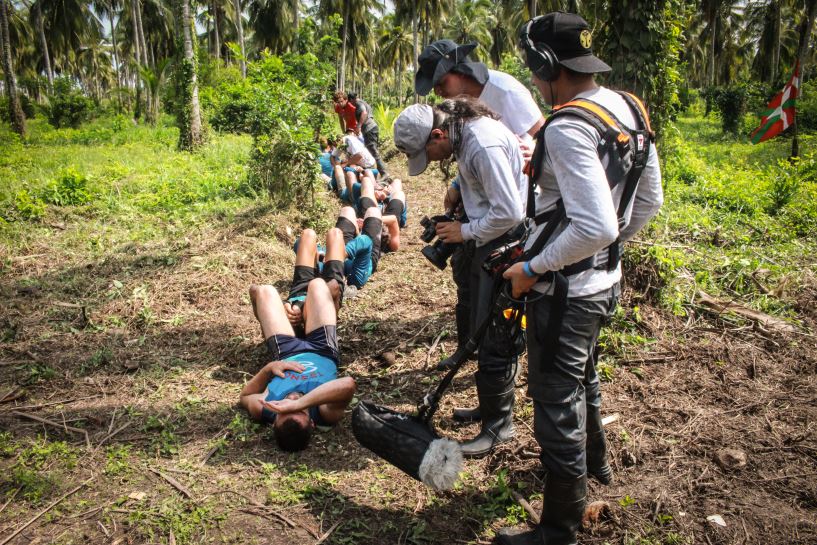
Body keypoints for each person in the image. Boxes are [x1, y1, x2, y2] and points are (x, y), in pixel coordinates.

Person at [496, 13, 663, 545]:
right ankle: (597, 466)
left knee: (553, 398)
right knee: (582, 377)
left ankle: (561, 527)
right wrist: (605, 257)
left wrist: (532, 267)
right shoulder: (627, 106)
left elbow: (595, 223)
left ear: (546, 64)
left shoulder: (568, 126)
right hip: (601, 285)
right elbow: (648, 201)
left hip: (565, 293)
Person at [415, 40, 545, 408]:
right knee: (469, 285)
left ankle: (497, 383)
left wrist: (473, 226)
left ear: (456, 73)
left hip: (512, 211)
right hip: (488, 206)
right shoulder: (461, 120)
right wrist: (458, 187)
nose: (439, 93)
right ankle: (469, 352)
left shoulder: (505, 92)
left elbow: (537, 142)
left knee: (498, 311)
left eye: (440, 86)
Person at [393, 97, 526, 458]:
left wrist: (464, 232)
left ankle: (500, 426)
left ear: (438, 133)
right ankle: (490, 410)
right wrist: (458, 193)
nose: (433, 159)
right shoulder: (465, 135)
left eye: (429, 152)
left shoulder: (481, 144)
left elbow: (511, 212)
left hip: (503, 242)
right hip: (489, 238)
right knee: (484, 327)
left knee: (497, 335)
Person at [239, 277, 356, 452]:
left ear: (274, 422)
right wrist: (301, 404)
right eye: (300, 410)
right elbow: (348, 384)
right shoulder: (324, 412)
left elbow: (245, 397)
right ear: (312, 422)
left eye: (284, 410)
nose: (292, 401)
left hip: (287, 352)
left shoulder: (265, 407)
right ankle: (304, 310)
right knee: (317, 285)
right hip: (322, 349)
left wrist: (268, 369)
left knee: (264, 291)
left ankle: (296, 313)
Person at [347, 92, 388, 177]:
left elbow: (364, 113)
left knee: (373, 153)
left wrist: (359, 126)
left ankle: (384, 174)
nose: (351, 104)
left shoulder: (358, 104)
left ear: (351, 100)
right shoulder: (363, 102)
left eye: (350, 102)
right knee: (373, 152)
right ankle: (377, 174)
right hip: (372, 128)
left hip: (369, 129)